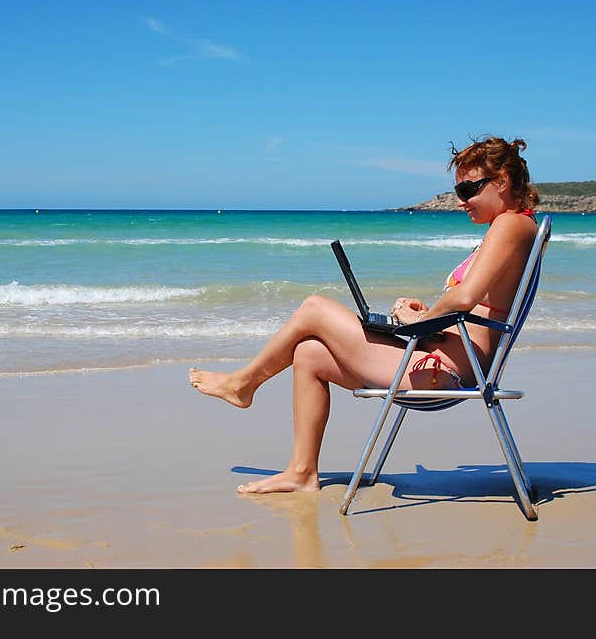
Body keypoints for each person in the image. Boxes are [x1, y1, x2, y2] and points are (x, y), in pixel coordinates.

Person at [189, 135, 540, 494]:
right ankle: (301, 473)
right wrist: (425, 315)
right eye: (458, 191)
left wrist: (421, 321)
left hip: (442, 372)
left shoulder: (511, 224)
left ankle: (243, 385)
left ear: (501, 182)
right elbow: (475, 306)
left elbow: (465, 298)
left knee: (314, 308)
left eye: (468, 188)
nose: (462, 200)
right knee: (309, 353)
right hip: (441, 356)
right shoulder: (513, 227)